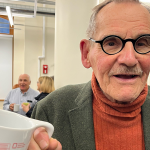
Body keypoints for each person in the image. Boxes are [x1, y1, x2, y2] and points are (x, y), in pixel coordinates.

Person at [27, 0, 150, 149]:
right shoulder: (52, 110)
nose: (129, 59)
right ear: (86, 54)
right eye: (111, 43)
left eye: (142, 43)